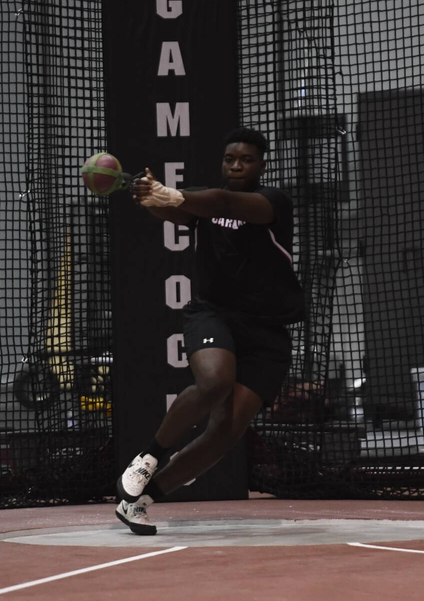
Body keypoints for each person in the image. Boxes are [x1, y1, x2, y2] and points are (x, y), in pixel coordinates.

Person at [114, 127, 304, 535]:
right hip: (213, 314)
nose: (236, 165)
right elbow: (177, 212)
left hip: (268, 331)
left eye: (246, 160)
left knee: (225, 432)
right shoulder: (202, 202)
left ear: (261, 165)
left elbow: (223, 202)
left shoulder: (271, 202)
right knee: (215, 381)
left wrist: (172, 195)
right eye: (229, 159)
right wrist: (151, 198)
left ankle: (141, 502)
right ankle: (147, 459)